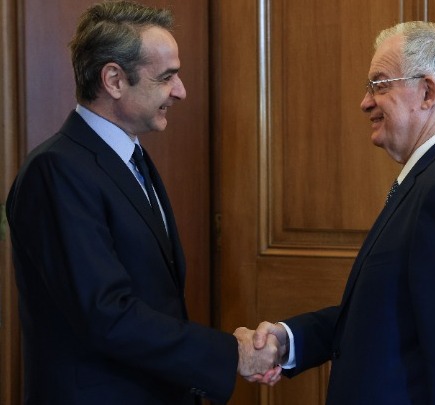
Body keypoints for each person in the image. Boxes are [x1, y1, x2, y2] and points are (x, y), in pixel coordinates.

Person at [5, 1, 280, 404]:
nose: (181, 91)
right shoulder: (56, 170)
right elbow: (106, 314)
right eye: (167, 77)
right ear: (114, 80)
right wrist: (228, 354)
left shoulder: (130, 158)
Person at [251, 21, 435, 404]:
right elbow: (388, 314)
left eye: (379, 85)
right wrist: (289, 340)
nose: (365, 102)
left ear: (427, 92)